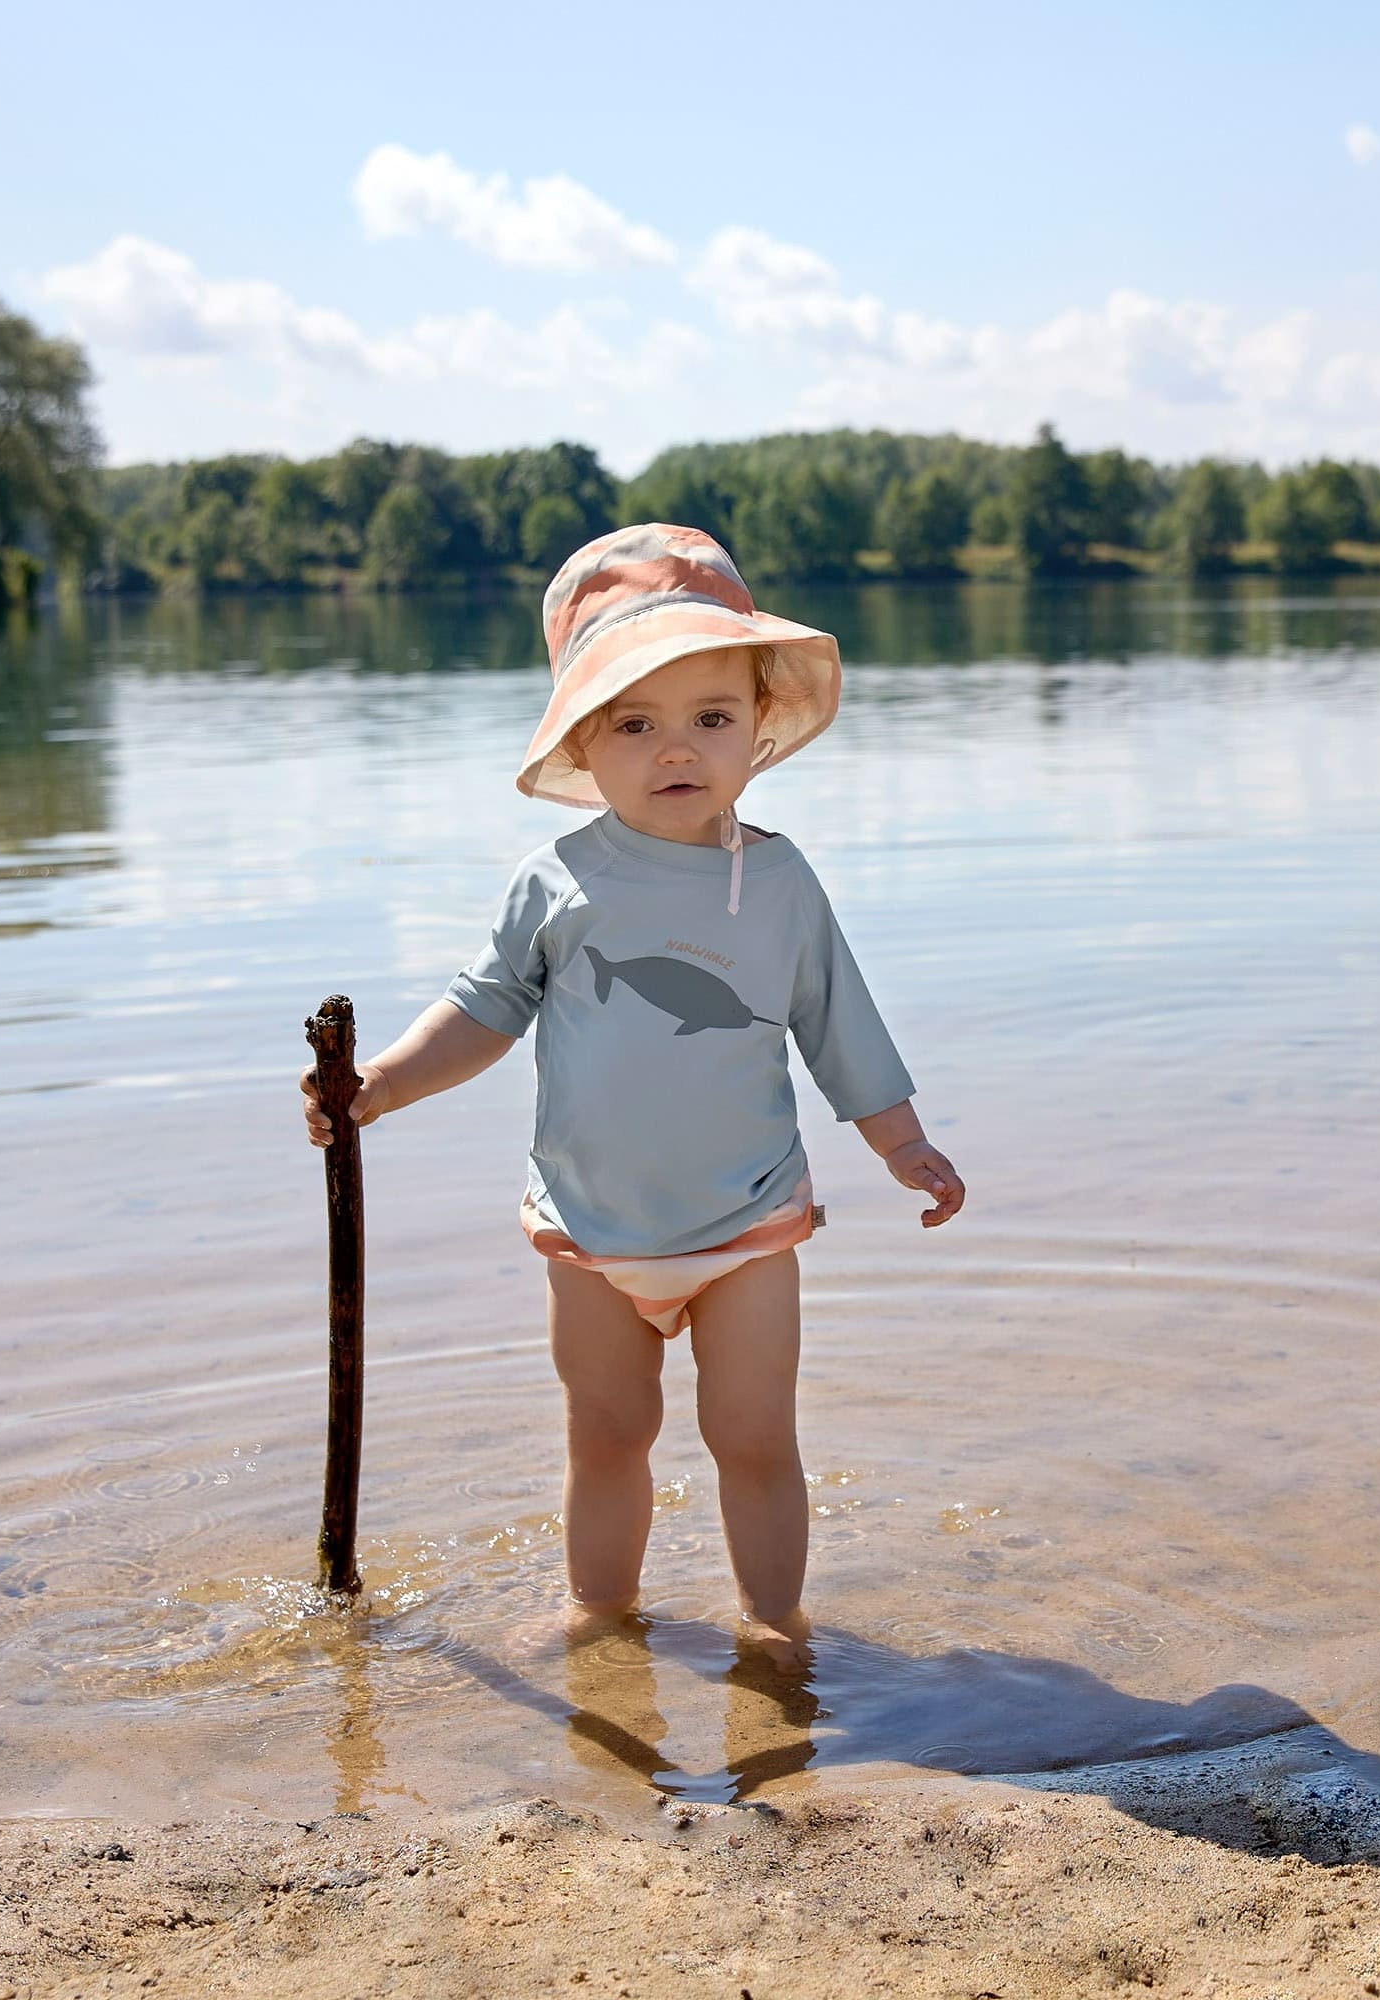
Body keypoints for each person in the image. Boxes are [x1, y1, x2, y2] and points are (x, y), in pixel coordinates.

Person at [302, 523, 962, 1659]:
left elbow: (837, 1025)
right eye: (636, 722)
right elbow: (482, 1011)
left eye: (711, 718)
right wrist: (379, 1086)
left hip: (748, 1223)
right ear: (582, 743)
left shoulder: (784, 880)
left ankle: (773, 1626)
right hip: (593, 1234)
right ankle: (599, 1616)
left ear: (760, 730)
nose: (678, 749)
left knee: (754, 1437)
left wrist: (902, 1144)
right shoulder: (558, 882)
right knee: (607, 1438)